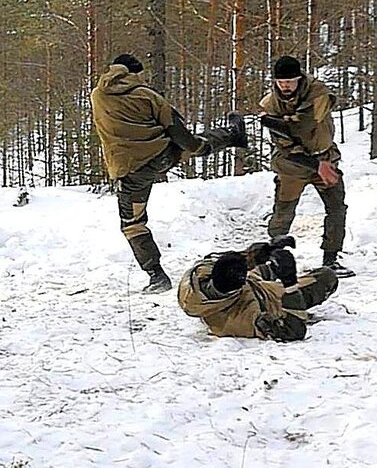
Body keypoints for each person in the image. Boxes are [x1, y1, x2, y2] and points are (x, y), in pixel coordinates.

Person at [91, 53, 246, 294]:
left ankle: (156, 276)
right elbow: (179, 133)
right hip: (160, 156)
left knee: (133, 224)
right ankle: (233, 134)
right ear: (133, 73)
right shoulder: (147, 96)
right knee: (197, 145)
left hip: (130, 172)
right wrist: (199, 148)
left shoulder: (97, 95)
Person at [259, 55, 353, 278]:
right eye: (280, 83)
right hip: (293, 163)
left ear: (300, 79)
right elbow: (283, 144)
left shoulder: (318, 93)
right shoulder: (271, 103)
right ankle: (275, 257)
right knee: (283, 211)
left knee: (337, 207)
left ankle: (331, 258)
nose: (285, 87)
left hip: (325, 158)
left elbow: (304, 125)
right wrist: (313, 164)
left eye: (290, 82)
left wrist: (273, 121)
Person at [177, 237, 339, 341]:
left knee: (276, 262)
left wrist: (262, 253)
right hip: (271, 299)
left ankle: (273, 267)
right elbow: (292, 331)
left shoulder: (200, 274)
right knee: (326, 277)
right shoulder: (236, 321)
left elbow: (227, 261)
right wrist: (290, 284)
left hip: (253, 282)